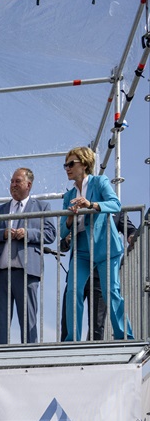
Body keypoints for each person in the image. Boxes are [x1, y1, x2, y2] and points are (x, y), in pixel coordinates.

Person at [60, 146, 134, 340]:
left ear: (84, 164)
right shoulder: (68, 196)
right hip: (82, 247)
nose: (67, 168)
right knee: (73, 291)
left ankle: (123, 335)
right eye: (65, 165)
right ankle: (72, 340)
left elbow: (115, 204)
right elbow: (62, 230)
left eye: (71, 164)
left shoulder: (99, 181)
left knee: (111, 291)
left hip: (106, 245)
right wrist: (69, 217)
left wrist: (90, 205)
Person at [0, 168, 56, 344]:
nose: (13, 185)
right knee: (0, 322)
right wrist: (4, 234)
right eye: (12, 181)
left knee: (28, 319)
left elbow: (50, 234)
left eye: (17, 181)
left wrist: (28, 233)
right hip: (0, 273)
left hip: (26, 272)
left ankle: (30, 358)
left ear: (28, 185)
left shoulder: (42, 207)